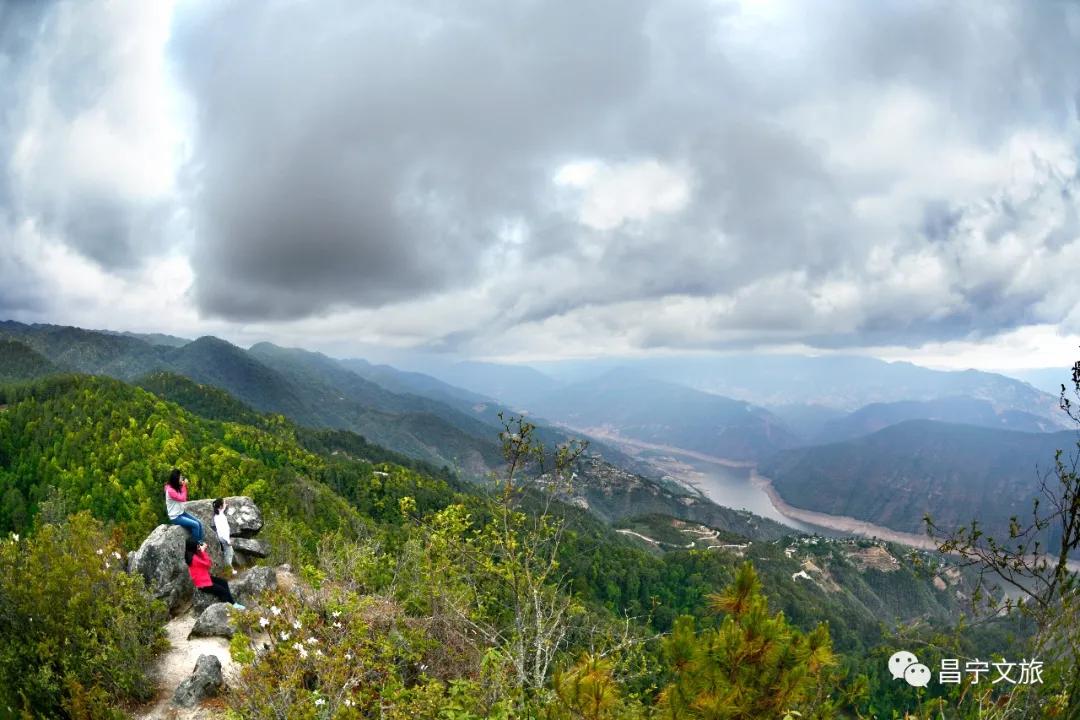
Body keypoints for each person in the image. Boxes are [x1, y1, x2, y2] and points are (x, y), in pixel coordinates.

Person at [184, 537, 245, 610]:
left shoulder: (191, 554)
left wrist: (200, 551)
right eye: (197, 546)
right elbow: (208, 564)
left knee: (224, 582)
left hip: (205, 578)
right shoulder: (193, 559)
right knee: (222, 591)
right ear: (193, 547)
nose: (198, 547)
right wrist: (203, 551)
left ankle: (233, 603)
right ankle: (228, 608)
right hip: (203, 584)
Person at [165, 469, 203, 543]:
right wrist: (184, 486)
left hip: (181, 512)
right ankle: (195, 546)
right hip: (175, 517)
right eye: (180, 477)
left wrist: (182, 484)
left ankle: (200, 542)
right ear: (176, 479)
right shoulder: (170, 490)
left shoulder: (175, 486)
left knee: (199, 523)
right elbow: (183, 498)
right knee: (195, 525)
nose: (182, 478)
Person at [213, 498, 236, 576]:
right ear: (220, 506)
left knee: (230, 552)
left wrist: (224, 506)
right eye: (224, 503)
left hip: (223, 537)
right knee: (228, 554)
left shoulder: (218, 514)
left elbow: (221, 510)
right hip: (224, 537)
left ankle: (229, 569)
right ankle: (229, 570)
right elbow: (223, 530)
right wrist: (228, 540)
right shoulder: (220, 517)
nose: (226, 503)